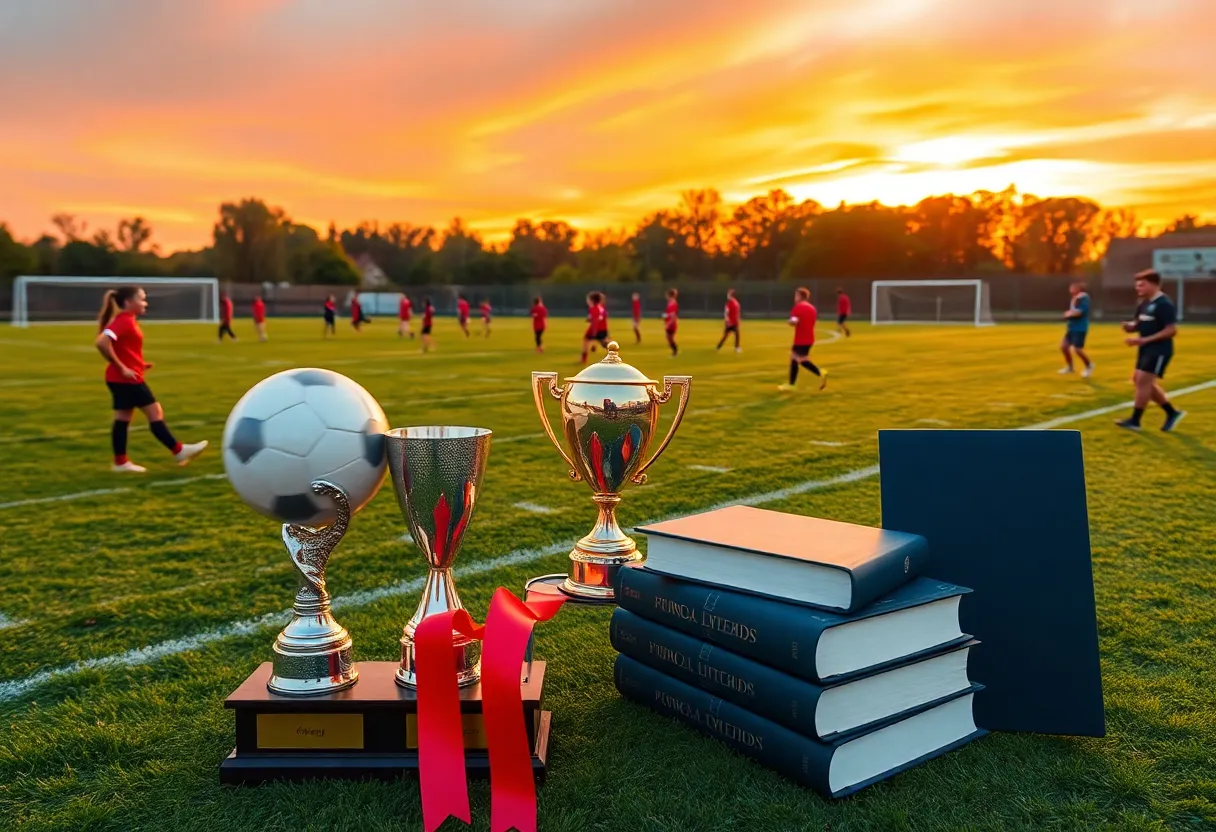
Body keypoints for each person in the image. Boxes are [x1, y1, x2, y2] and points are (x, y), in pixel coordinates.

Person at [95, 286, 208, 473]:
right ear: (129, 302)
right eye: (141, 299)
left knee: (123, 418)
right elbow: (101, 343)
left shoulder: (127, 320)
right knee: (154, 412)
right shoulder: (124, 321)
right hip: (126, 380)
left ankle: (120, 462)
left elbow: (124, 348)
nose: (145, 303)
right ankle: (178, 451)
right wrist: (123, 368)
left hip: (119, 378)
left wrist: (138, 363)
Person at [1116, 270, 1184, 431]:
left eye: (1142, 285)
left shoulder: (1164, 304)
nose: (1137, 288)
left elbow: (1171, 330)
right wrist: (1131, 327)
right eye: (1137, 285)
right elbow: (1139, 323)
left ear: (1154, 285)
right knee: (1138, 380)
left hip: (1159, 349)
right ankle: (1172, 412)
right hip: (1145, 348)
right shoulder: (1144, 303)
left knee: (1142, 382)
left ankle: (1135, 421)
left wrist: (1144, 340)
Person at [778, 287, 828, 392]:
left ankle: (792, 385)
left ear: (800, 296)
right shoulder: (812, 308)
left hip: (800, 340)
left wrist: (789, 322)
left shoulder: (798, 308)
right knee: (801, 360)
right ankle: (820, 372)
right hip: (809, 339)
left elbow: (794, 322)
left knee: (794, 358)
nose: (794, 298)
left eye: (796, 295)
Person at [1058, 282, 1092, 377]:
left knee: (1077, 350)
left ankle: (1089, 365)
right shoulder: (1075, 298)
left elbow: (1080, 312)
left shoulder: (1083, 297)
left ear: (1079, 288)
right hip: (1072, 327)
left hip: (1080, 328)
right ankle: (1070, 367)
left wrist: (1068, 314)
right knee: (1064, 347)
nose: (1071, 288)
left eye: (1073, 287)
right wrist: (1069, 314)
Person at [580, 291, 609, 363]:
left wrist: (594, 334)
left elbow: (596, 321)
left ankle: (583, 359)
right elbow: (601, 316)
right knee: (603, 343)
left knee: (586, 341)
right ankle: (613, 351)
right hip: (602, 328)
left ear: (592, 300)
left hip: (597, 328)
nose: (587, 300)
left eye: (588, 299)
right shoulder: (598, 307)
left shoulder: (594, 308)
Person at [717, 288, 741, 353]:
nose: (727, 296)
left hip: (733, 322)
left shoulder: (732, 303)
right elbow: (726, 313)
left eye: (729, 294)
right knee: (729, 335)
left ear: (731, 295)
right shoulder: (732, 303)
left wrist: (728, 320)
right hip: (731, 323)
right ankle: (736, 348)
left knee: (735, 334)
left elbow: (729, 313)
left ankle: (719, 347)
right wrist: (727, 321)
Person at [663, 288, 679, 357]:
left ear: (669, 295)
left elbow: (673, 316)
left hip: (671, 324)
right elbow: (669, 313)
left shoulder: (673, 304)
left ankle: (675, 352)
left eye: (666, 295)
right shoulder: (670, 303)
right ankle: (674, 351)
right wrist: (665, 316)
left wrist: (669, 324)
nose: (666, 296)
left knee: (670, 338)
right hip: (669, 323)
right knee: (669, 338)